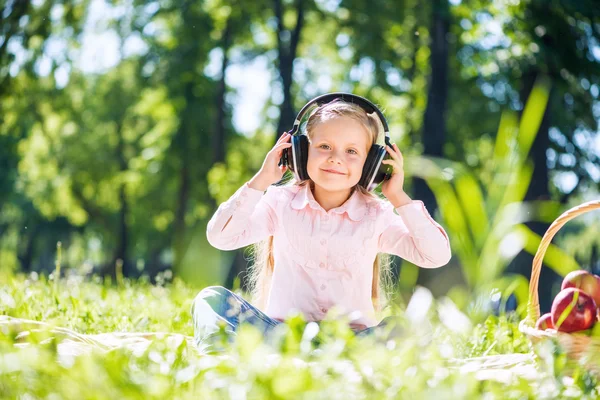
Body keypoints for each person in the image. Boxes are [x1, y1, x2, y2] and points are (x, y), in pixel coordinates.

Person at [191, 94, 451, 351]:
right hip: (283, 338)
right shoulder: (280, 203)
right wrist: (261, 180)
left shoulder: (377, 215)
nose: (336, 158)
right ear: (300, 153)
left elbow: (435, 256)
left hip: (349, 342)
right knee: (211, 300)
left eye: (351, 151)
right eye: (324, 146)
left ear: (373, 164)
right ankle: (220, 362)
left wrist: (398, 197)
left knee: (413, 327)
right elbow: (220, 237)